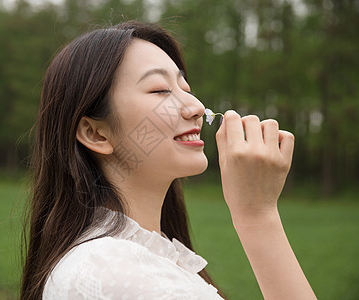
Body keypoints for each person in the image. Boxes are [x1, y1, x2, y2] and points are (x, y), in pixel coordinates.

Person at [20, 21, 316, 300]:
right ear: (96, 133)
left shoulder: (146, 258)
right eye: (160, 90)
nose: (197, 107)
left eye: (185, 89)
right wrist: (257, 215)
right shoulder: (107, 269)